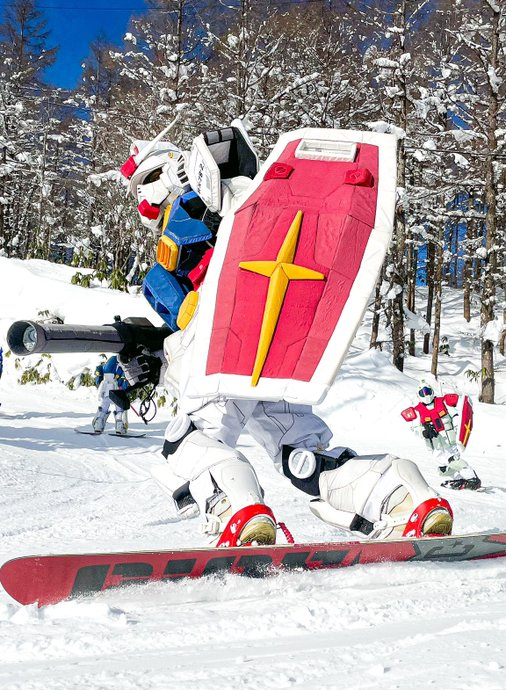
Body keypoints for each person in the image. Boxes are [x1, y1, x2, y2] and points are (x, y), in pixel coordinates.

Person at [118, 123, 454, 547]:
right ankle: (401, 496)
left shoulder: (194, 209)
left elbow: (199, 300)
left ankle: (236, 510)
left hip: (227, 338)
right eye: (136, 188)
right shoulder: (214, 211)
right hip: (271, 342)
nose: (143, 196)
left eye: (147, 179)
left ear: (176, 169)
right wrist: (159, 357)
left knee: (190, 437)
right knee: (302, 453)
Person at [401, 381, 481, 490]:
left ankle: (472, 478)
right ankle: (458, 478)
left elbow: (457, 416)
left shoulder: (443, 402)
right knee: (443, 467)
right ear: (418, 395)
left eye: (428, 391)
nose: (426, 395)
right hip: (435, 444)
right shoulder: (418, 411)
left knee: (453, 460)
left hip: (449, 440)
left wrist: (458, 430)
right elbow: (415, 428)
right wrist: (424, 432)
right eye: (422, 393)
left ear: (432, 391)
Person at [92, 355, 129, 436]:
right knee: (119, 408)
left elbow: (98, 374)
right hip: (116, 389)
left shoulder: (107, 363)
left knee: (104, 406)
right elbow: (124, 375)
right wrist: (124, 387)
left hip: (106, 387)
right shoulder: (120, 361)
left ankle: (98, 424)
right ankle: (120, 427)